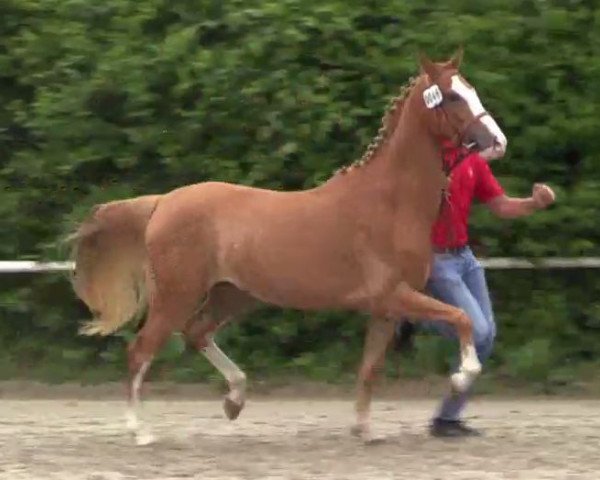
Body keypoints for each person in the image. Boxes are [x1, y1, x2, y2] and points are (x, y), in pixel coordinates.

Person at [395, 139, 556, 438]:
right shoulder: (428, 159)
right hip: (438, 258)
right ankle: (413, 313)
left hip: (464, 257)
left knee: (487, 337)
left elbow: (500, 204)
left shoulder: (473, 162)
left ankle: (447, 418)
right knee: (477, 331)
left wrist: (534, 203)